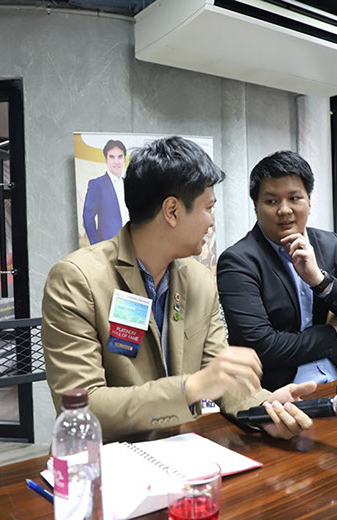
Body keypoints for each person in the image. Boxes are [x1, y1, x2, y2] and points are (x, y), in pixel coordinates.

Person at [42, 137, 316, 442]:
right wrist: (191, 388)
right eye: (208, 208)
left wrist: (265, 409)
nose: (211, 223)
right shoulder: (77, 280)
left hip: (182, 449)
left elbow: (219, 374)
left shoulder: (198, 279)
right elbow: (83, 404)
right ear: (172, 211)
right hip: (107, 459)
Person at [216, 150, 337, 391]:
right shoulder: (238, 261)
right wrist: (333, 331)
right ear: (255, 206)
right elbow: (263, 348)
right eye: (272, 201)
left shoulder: (329, 245)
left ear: (309, 200)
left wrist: (321, 282)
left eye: (294, 198)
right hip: (276, 395)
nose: (284, 210)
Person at [82, 139, 128, 244]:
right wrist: (96, 245)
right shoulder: (97, 184)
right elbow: (88, 217)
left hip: (131, 242)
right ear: (106, 160)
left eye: (120, 157)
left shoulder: (129, 183)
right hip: (109, 244)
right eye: (112, 157)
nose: (116, 161)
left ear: (124, 160)